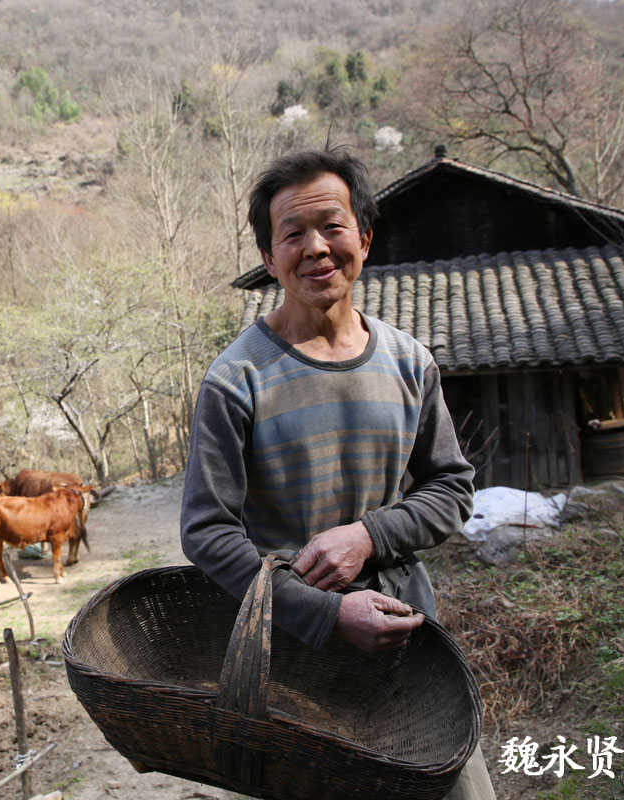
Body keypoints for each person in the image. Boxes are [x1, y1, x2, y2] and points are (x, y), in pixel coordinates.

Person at [180, 148, 494, 799]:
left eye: (333, 226)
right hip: (294, 665)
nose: (316, 248)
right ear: (269, 259)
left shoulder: (410, 362)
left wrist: (369, 536)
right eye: (293, 234)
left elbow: (451, 487)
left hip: (409, 646)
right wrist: (324, 613)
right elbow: (208, 531)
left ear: (365, 238)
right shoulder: (236, 379)